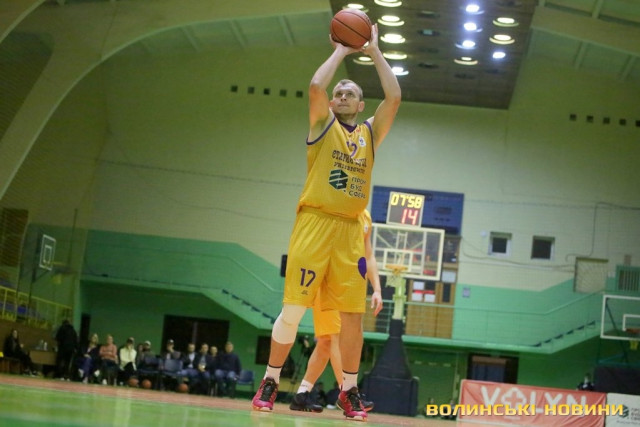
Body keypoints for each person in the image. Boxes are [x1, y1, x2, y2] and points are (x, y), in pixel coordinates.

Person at [251, 20, 401, 422]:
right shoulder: (322, 125)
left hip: (350, 232)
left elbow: (394, 97)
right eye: (339, 93)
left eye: (350, 93)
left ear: (361, 105)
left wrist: (373, 51)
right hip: (315, 224)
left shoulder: (370, 136)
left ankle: (348, 390)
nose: (341, 95)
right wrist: (341, 50)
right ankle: (270, 380)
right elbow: (317, 86)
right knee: (293, 310)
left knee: (352, 319)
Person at [289, 209, 382, 413]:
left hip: (348, 285)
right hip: (328, 281)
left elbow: (368, 256)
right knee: (335, 337)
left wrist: (377, 288)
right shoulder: (335, 208)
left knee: (325, 343)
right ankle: (347, 392)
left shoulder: (365, 217)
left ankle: (302, 394)